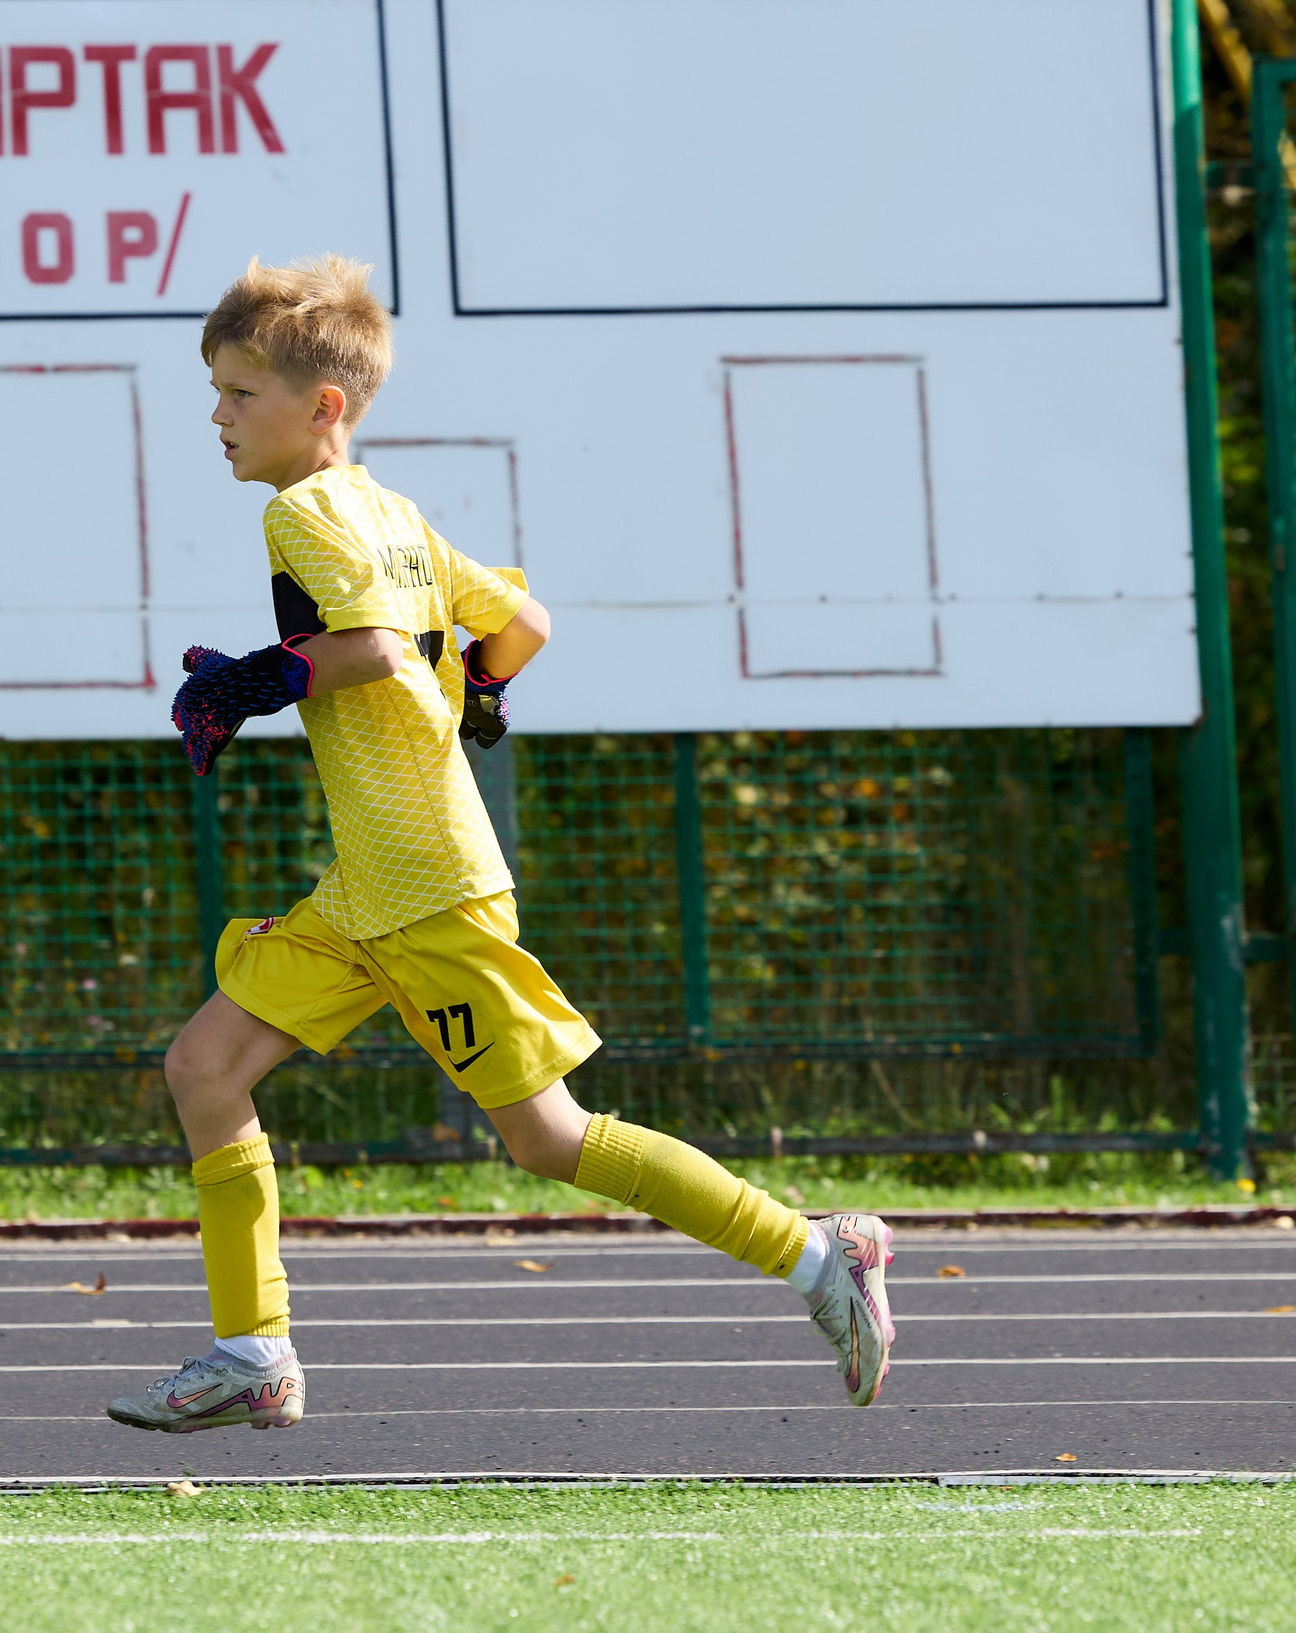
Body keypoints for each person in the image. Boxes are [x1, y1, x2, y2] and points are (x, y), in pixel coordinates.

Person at [104, 255, 895, 1435]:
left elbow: (368, 645)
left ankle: (813, 1253)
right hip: (367, 888)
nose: (214, 416)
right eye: (215, 392)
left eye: (236, 394)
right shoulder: (392, 513)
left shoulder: (305, 509)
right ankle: (250, 1350)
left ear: (321, 408)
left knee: (551, 1139)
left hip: (421, 889)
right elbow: (519, 623)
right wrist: (476, 689)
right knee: (204, 1068)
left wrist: (252, 684)